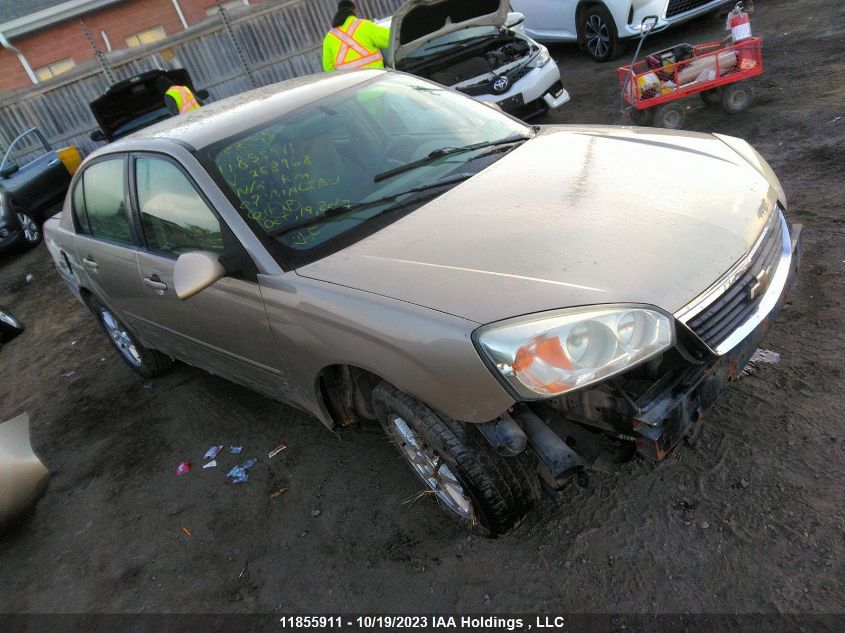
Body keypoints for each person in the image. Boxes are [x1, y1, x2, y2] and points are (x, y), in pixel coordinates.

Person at [322, 0, 390, 72]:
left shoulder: (329, 37)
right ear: (354, 11)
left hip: (350, 82)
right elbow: (390, 39)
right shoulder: (364, 26)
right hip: (375, 77)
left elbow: (328, 67)